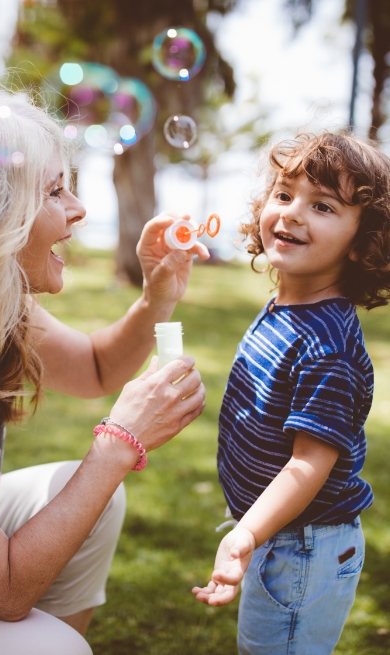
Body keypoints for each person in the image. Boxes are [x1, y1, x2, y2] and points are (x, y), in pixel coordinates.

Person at [0, 87, 208, 655]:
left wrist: (155, 299)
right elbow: (4, 591)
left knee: (78, 495)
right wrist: (118, 444)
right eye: (54, 191)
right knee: (55, 646)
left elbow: (97, 368)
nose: (79, 209)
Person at [192, 132, 390, 654]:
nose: (293, 213)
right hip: (278, 532)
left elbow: (309, 464)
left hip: (304, 547)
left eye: (322, 205)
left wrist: (246, 535)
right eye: (283, 194)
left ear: (362, 240)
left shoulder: (328, 348)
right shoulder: (286, 307)